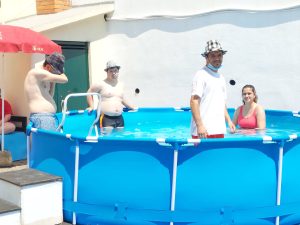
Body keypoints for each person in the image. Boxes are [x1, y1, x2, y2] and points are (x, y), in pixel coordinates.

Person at [190, 40, 235, 139]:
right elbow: (194, 101)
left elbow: (221, 103)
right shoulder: (201, 75)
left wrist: (229, 121)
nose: (217, 58)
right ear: (206, 57)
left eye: (219, 55)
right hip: (203, 132)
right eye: (213, 56)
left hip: (218, 130)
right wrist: (200, 126)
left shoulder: (221, 77)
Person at [24, 53, 68, 131]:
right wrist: (60, 73)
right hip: (43, 117)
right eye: (55, 72)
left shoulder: (42, 78)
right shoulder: (35, 73)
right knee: (51, 142)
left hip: (47, 116)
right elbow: (65, 79)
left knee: (51, 142)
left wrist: (53, 81)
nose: (56, 74)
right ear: (48, 67)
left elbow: (50, 96)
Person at [87, 60, 135, 130]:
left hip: (119, 117)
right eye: (111, 71)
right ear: (107, 72)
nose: (113, 73)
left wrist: (131, 106)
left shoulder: (121, 85)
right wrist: (91, 106)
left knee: (120, 138)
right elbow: (89, 92)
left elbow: (121, 98)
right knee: (107, 139)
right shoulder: (101, 84)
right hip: (106, 118)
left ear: (118, 71)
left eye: (115, 71)